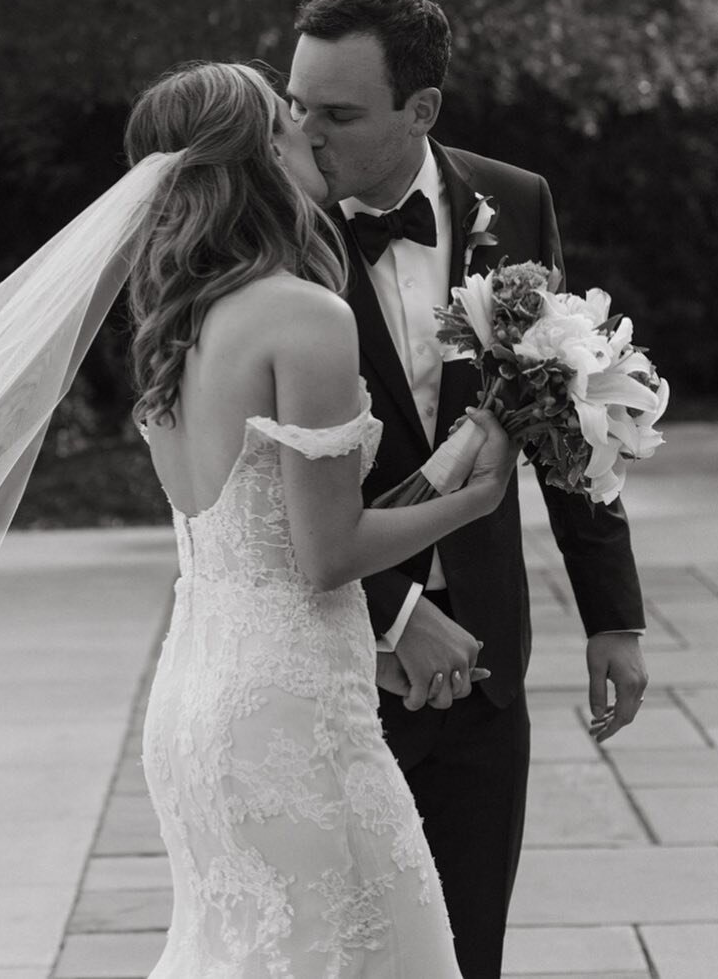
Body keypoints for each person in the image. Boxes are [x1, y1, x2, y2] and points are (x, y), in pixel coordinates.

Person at [287, 0, 649, 979]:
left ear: (423, 109)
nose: (308, 137)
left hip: (488, 668)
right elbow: (255, 477)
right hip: (329, 659)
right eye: (295, 107)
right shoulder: (268, 228)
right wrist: (397, 610)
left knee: (463, 953)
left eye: (339, 114)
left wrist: (612, 614)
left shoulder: (517, 203)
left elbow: (569, 416)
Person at [124, 60, 518, 979]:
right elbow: (325, 554)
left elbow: (250, 540)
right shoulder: (305, 314)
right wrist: (476, 497)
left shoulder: (173, 322)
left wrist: (448, 461)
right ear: (259, 157)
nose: (307, 130)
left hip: (195, 705)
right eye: (285, 119)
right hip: (292, 723)